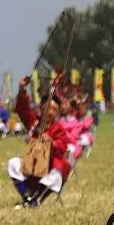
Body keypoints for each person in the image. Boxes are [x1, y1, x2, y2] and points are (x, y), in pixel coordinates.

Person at [6, 76, 72, 208]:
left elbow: (62, 148)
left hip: (47, 170)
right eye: (48, 108)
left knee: (60, 169)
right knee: (13, 163)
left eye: (54, 110)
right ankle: (27, 197)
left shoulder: (59, 128)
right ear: (41, 108)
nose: (50, 112)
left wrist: (52, 142)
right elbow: (23, 109)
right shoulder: (33, 121)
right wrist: (22, 90)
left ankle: (37, 199)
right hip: (31, 168)